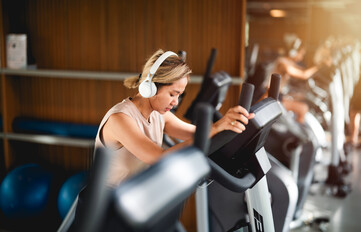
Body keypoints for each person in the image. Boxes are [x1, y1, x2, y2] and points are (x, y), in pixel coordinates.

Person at [95, 49, 255, 186]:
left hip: (136, 197)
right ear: (151, 87)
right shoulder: (120, 119)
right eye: (173, 94)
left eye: (179, 95)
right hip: (108, 204)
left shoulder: (159, 115)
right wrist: (214, 128)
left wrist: (227, 124)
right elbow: (159, 157)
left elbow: (196, 134)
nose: (175, 102)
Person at [271, 37, 326, 124]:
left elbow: (305, 70)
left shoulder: (288, 62)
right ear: (293, 52)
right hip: (272, 97)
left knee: (301, 96)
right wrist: (320, 65)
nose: (301, 58)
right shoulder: (282, 62)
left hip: (279, 95)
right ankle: (298, 137)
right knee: (303, 108)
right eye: (301, 54)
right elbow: (303, 74)